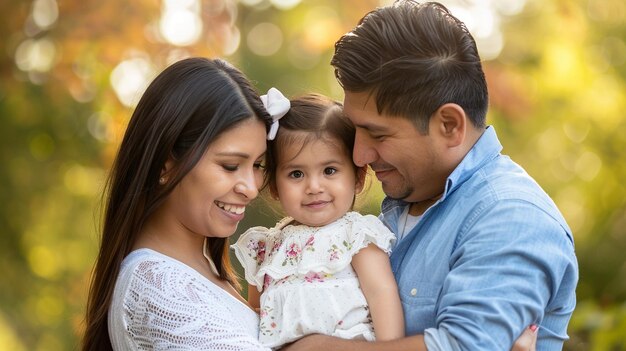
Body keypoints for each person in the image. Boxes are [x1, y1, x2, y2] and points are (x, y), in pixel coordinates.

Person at [285, 1, 578, 350]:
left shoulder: (512, 217)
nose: (359, 155)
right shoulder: (399, 204)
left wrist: (313, 347)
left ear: (449, 125)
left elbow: (462, 346)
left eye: (377, 134)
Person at [81, 57, 276, 350]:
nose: (250, 188)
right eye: (230, 166)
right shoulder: (157, 287)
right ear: (165, 165)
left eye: (258, 165)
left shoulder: (199, 271)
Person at [232, 92, 404, 349]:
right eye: (296, 173)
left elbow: (382, 294)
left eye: (329, 171)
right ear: (275, 186)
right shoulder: (266, 248)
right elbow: (256, 316)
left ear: (357, 177)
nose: (314, 186)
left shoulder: (355, 235)